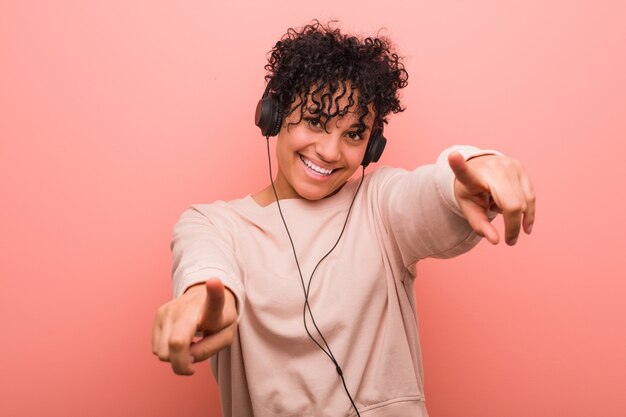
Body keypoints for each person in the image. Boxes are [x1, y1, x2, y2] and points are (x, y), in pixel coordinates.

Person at [152, 21, 535, 417]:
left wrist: (475, 171)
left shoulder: (378, 203)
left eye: (353, 134)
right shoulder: (214, 224)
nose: (331, 151)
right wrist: (203, 300)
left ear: (372, 146)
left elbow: (429, 195)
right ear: (274, 113)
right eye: (316, 121)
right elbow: (206, 266)